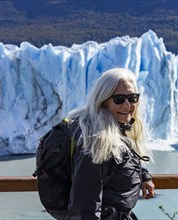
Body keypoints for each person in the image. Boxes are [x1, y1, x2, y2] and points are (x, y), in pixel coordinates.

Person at [65, 68, 155, 220]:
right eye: (119, 99)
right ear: (104, 101)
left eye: (132, 98)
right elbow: (85, 204)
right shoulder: (96, 139)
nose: (128, 105)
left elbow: (120, 163)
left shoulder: (114, 128)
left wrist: (144, 176)